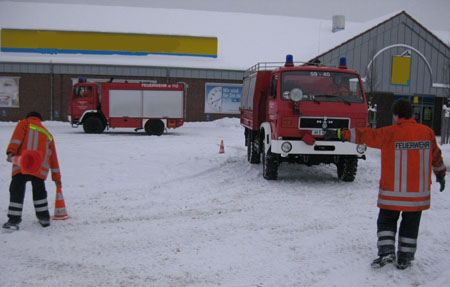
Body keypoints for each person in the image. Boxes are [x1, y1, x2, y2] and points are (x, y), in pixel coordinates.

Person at [324, 99, 446, 269]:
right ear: (412, 114)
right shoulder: (427, 133)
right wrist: (441, 175)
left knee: (387, 221)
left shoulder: (389, 133)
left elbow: (365, 135)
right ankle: (405, 257)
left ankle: (387, 252)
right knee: (410, 225)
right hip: (417, 195)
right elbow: (436, 157)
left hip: (392, 193)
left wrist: (339, 134)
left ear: (395, 115)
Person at [3, 111, 62, 230]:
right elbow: (53, 158)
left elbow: (16, 139)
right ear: (40, 120)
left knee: (17, 189)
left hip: (23, 164)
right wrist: (57, 178)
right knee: (39, 191)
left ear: (28, 117)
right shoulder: (47, 133)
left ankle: (14, 220)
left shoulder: (24, 123)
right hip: (39, 169)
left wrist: (11, 152)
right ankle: (44, 218)